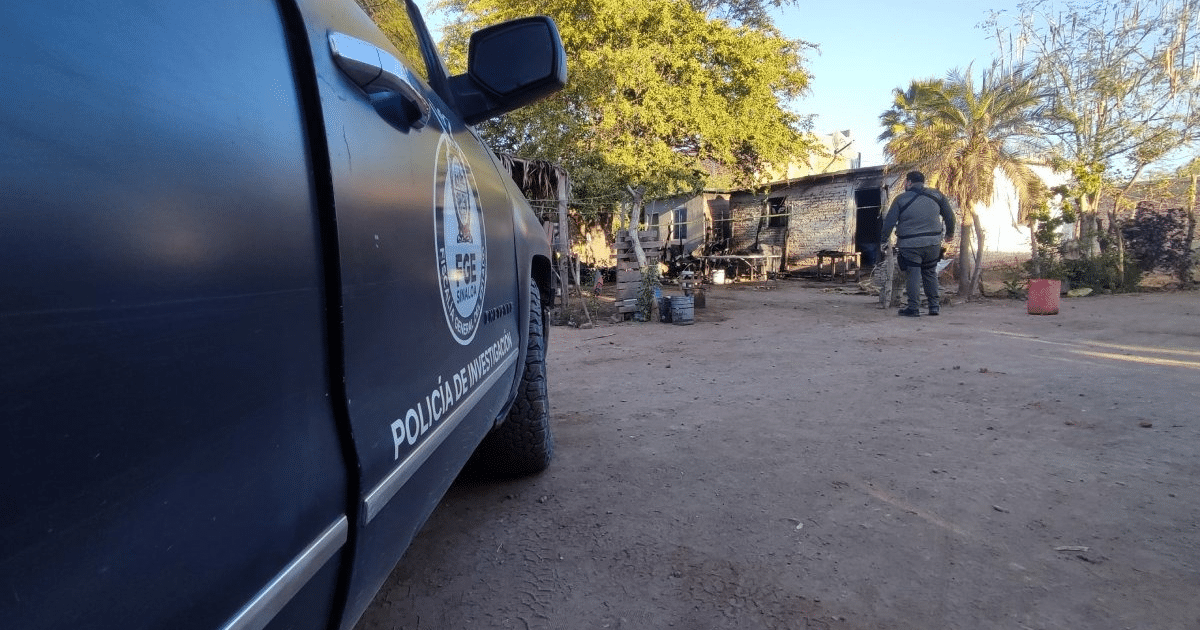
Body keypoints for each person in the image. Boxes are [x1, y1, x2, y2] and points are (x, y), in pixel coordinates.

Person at [881, 171, 956, 317]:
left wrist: (884, 240)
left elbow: (889, 221)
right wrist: (950, 234)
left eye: (905, 182)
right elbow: (949, 216)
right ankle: (934, 307)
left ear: (908, 182)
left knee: (913, 274)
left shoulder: (901, 199)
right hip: (933, 243)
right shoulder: (937, 195)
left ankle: (913, 308)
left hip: (910, 245)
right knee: (929, 272)